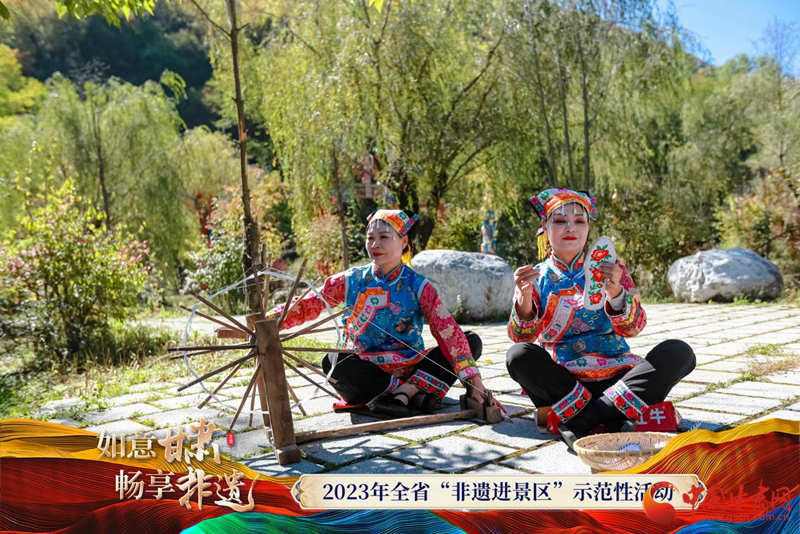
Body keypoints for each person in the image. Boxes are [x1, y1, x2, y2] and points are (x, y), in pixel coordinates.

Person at [505, 188, 695, 449]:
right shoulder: (536, 277)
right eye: (559, 221)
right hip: (565, 382)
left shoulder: (611, 269)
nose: (570, 227)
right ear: (545, 228)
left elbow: (634, 328)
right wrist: (524, 299)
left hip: (618, 377)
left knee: (679, 352)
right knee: (517, 356)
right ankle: (613, 415)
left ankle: (586, 420)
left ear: (588, 228)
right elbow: (521, 337)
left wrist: (615, 293)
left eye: (579, 221)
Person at [267, 209, 503, 418]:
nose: (375, 244)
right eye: (370, 238)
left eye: (383, 237)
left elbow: (446, 329)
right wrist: (270, 320)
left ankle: (405, 392)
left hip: (411, 366)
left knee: (470, 340)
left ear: (403, 241)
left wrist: (475, 380)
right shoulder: (351, 280)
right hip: (367, 369)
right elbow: (310, 302)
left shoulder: (418, 285)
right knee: (334, 361)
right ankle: (415, 393)